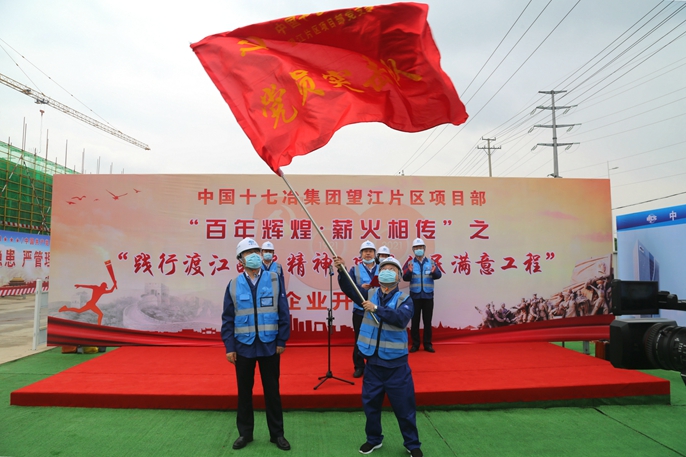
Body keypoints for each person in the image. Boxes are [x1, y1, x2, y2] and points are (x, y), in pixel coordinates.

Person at [221, 238, 291, 452]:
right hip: (243, 347)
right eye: (248, 252)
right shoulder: (233, 284)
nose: (253, 255)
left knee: (272, 392)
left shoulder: (274, 279)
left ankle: (277, 434)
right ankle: (245, 433)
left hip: (270, 345)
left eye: (256, 251)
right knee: (244, 392)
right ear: (240, 259)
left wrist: (281, 340)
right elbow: (228, 319)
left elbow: (283, 311)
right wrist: (230, 347)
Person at [352, 257, 423, 457]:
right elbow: (350, 289)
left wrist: (376, 309)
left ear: (399, 277)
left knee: (404, 408)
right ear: (379, 274)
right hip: (373, 364)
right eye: (384, 268)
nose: (387, 271)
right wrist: (340, 271)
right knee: (371, 406)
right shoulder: (369, 294)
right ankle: (373, 439)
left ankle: (412, 444)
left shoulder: (405, 299)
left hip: (396, 366)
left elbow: (400, 319)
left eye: (392, 269)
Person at [333, 240, 378, 378]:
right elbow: (348, 287)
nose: (368, 253)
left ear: (375, 254)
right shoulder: (355, 270)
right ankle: (359, 366)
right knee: (360, 339)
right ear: (360, 254)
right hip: (360, 310)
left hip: (378, 310)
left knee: (377, 338)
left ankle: (375, 365)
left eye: (370, 251)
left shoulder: (383, 268)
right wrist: (342, 269)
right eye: (365, 251)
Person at [402, 238, 442, 353]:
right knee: (415, 321)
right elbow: (405, 278)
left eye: (420, 247)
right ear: (413, 250)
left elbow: (438, 275)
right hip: (415, 296)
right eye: (416, 248)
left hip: (428, 296)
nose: (418, 249)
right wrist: (409, 272)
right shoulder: (409, 263)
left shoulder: (431, 262)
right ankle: (415, 344)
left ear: (424, 249)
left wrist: (434, 272)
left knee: (427, 322)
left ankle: (427, 344)